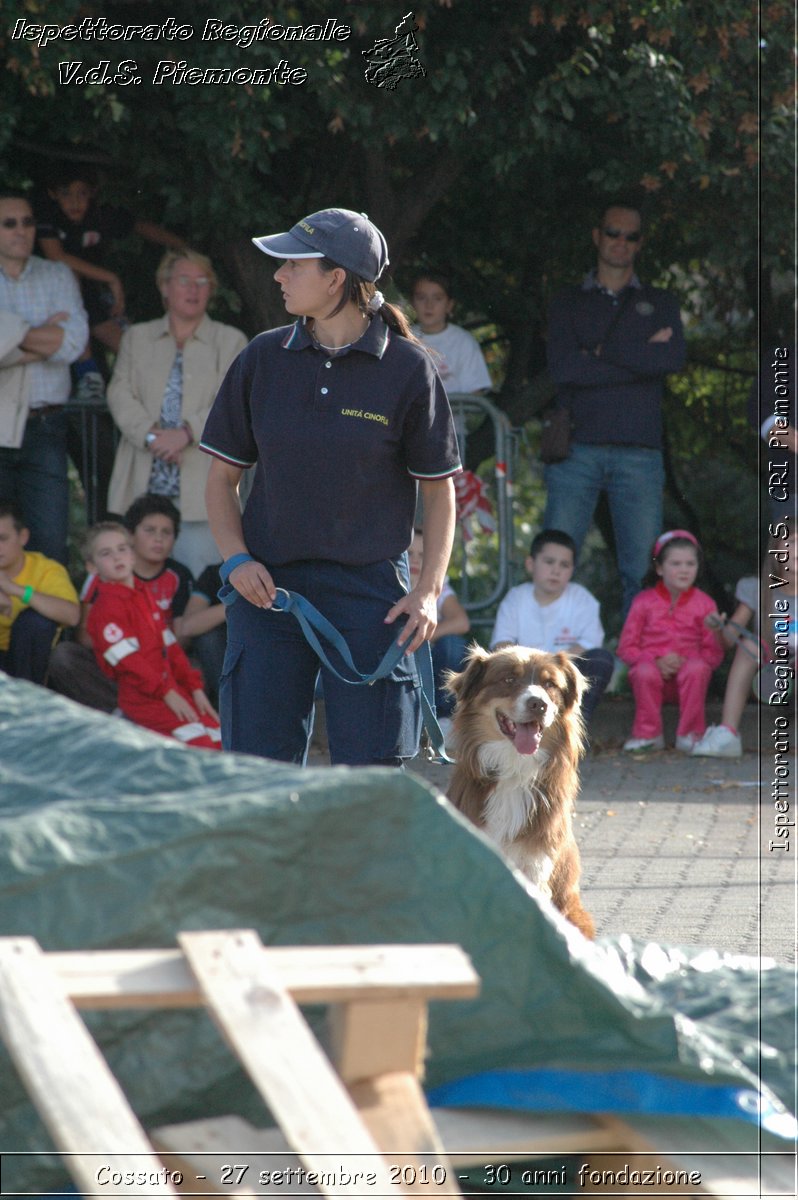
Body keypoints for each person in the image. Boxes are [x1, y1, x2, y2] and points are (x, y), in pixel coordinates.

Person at [201, 207, 460, 766]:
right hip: (265, 589)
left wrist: (428, 591)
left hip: (371, 598)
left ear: (336, 277)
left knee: (370, 778)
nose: (278, 275)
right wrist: (235, 561)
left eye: (293, 264)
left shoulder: (410, 370)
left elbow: (439, 492)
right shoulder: (260, 358)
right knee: (256, 772)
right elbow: (221, 479)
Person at [543, 201, 686, 621]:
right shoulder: (568, 302)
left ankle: (636, 667)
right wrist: (641, 353)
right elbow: (565, 368)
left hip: (640, 451)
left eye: (631, 236)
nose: (620, 242)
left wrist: (601, 353)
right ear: (596, 236)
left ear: (640, 243)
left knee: (642, 570)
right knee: (554, 561)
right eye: (613, 233)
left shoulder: (660, 301)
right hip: (576, 449)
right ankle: (546, 661)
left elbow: (670, 360)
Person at [106, 250, 247, 577]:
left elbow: (234, 401)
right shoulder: (137, 337)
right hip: (143, 484)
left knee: (199, 584)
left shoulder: (231, 341)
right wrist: (152, 435)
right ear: (164, 287)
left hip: (202, 489)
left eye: (202, 282)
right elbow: (119, 392)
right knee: (136, 586)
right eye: (184, 280)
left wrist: (186, 433)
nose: (194, 289)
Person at [36, 164, 185, 402]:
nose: (75, 201)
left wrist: (183, 247)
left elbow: (139, 226)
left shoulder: (100, 215)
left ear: (92, 193)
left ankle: (159, 391)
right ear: (53, 194)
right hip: (48, 300)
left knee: (122, 340)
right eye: (66, 193)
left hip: (92, 294)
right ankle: (88, 373)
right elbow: (57, 257)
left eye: (82, 193)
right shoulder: (45, 216)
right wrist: (111, 279)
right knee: (70, 282)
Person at [0, 189, 89, 565]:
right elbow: (54, 341)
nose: (21, 231)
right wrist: (40, 334)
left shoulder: (57, 274)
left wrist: (8, 338)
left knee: (50, 545)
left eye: (28, 222)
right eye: (9, 223)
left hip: (47, 426)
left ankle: (45, 625)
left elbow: (72, 344)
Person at [47, 494, 194, 711]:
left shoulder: (180, 575)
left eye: (166, 532)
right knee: (64, 656)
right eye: (150, 530)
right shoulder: (102, 573)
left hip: (159, 665)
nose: (158, 539)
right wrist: (123, 645)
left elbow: (180, 636)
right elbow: (84, 636)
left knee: (193, 667)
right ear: (131, 536)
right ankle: (124, 714)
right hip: (111, 662)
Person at [84, 520, 220, 749]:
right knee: (201, 747)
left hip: (177, 693)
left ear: (133, 554)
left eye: (122, 549)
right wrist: (167, 692)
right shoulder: (105, 608)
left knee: (223, 740)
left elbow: (171, 648)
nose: (117, 557)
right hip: (144, 701)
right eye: (106, 553)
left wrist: (195, 689)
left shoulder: (142, 594)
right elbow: (130, 663)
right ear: (92, 567)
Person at [490, 528, 614, 725]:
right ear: (531, 564)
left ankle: (578, 727)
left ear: (572, 570)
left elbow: (589, 644)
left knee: (601, 660)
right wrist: (531, 667)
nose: (556, 570)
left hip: (562, 674)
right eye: (549, 562)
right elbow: (501, 645)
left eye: (564, 565)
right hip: (523, 675)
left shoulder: (583, 599)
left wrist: (550, 666)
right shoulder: (515, 597)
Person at [693, 528, 798, 757]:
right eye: (791, 542)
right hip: (770, 670)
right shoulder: (756, 588)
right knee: (750, 645)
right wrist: (718, 628)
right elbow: (728, 641)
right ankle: (728, 732)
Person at [617, 530, 723, 752]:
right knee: (643, 671)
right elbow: (626, 648)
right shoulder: (643, 602)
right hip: (651, 679)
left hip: (690, 680)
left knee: (698, 668)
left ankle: (691, 734)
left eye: (690, 563)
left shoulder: (705, 604)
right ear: (659, 568)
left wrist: (687, 660)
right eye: (675, 563)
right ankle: (648, 735)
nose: (684, 569)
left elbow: (713, 655)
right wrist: (654, 660)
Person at [0, 500, 79, 683]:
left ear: (23, 537)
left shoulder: (46, 569)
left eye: (3, 539)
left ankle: (28, 702)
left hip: (27, 664)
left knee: (35, 621)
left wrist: (16, 590)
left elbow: (72, 616)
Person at [407, 528, 469, 723]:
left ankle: (443, 717)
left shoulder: (439, 587)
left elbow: (462, 622)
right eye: (409, 554)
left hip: (430, 661)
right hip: (398, 658)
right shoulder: (388, 583)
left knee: (453, 646)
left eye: (423, 555)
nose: (415, 560)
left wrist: (424, 635)